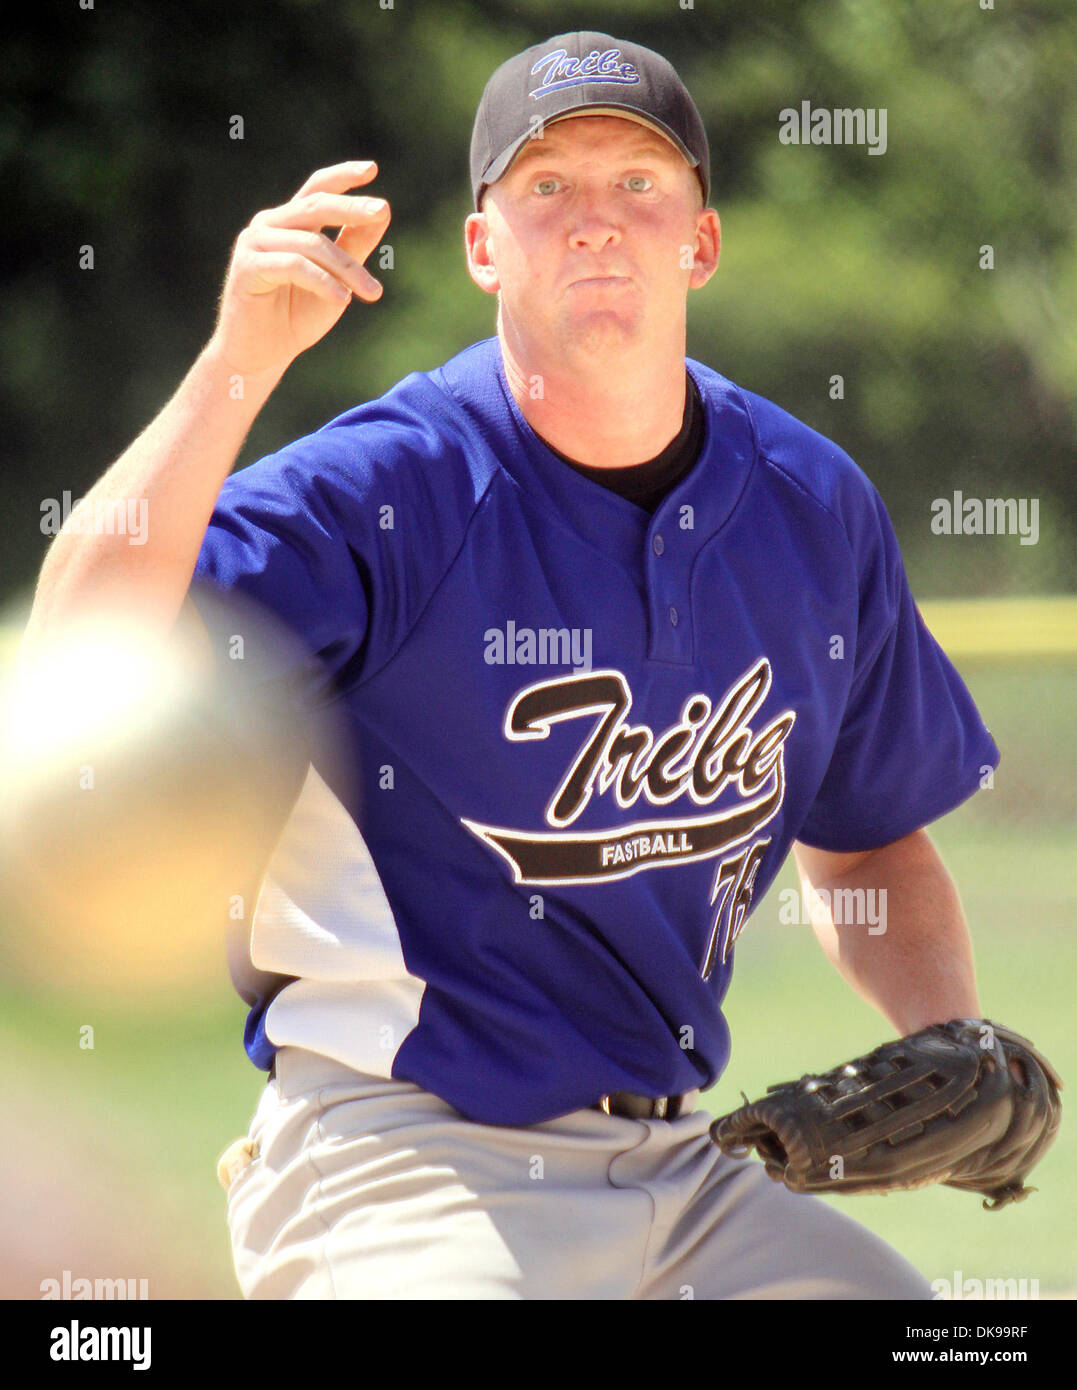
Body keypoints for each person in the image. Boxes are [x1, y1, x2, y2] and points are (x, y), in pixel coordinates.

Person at [29, 32, 1001, 1299]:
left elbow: (869, 844)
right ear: (485, 247)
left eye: (638, 184)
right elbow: (82, 655)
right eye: (547, 188)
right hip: (400, 1156)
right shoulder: (386, 492)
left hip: (685, 1163)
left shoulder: (812, 507)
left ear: (699, 241)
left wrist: (951, 1039)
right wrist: (240, 363)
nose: (596, 221)